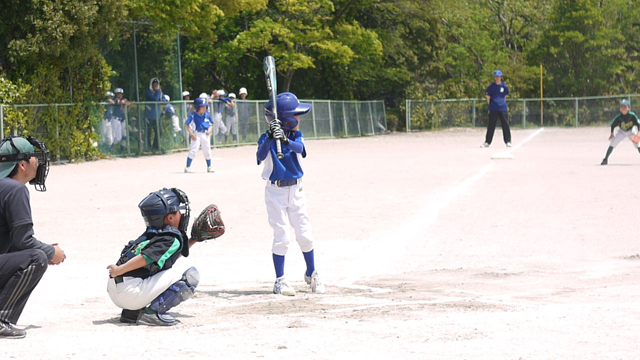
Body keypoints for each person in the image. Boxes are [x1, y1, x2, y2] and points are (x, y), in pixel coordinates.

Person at [256, 92, 326, 296]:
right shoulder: (265, 138)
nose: (299, 118)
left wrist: (284, 140)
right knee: (282, 237)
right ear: (285, 119)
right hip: (275, 192)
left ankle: (312, 272)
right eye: (295, 115)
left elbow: (300, 148)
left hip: (296, 190)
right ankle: (280, 280)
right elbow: (260, 156)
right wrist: (271, 137)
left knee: (304, 234)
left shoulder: (295, 136)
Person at [0, 136, 66, 338]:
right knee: (36, 258)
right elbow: (24, 241)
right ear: (22, 165)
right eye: (33, 158)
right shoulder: (15, 189)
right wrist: (50, 252)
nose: (38, 162)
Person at [106, 187, 199, 326]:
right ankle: (153, 313)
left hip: (117, 290)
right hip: (130, 293)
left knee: (159, 270)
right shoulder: (169, 238)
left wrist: (194, 239)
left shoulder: (153, 234)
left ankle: (131, 313)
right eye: (178, 211)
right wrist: (119, 270)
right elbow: (145, 258)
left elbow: (167, 255)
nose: (181, 214)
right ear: (170, 217)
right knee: (189, 275)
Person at [600, 99, 640, 165]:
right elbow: (612, 125)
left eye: (625, 106)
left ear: (629, 108)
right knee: (613, 143)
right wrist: (612, 133)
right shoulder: (618, 117)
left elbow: (638, 124)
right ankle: (605, 159)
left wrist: (638, 132)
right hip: (622, 131)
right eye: (622, 107)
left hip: (631, 130)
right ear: (620, 108)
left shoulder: (632, 115)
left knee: (638, 144)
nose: (623, 108)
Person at [481, 70, 512, 148]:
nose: (497, 78)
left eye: (499, 76)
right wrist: (492, 105)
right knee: (491, 125)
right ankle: (487, 142)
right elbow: (488, 98)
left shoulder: (504, 86)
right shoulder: (491, 87)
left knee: (505, 125)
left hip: (502, 108)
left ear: (501, 77)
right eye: (496, 76)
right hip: (493, 108)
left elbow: (505, 97)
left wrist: (501, 104)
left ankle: (508, 141)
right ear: (494, 77)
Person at [184, 97, 214, 173]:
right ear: (197, 107)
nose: (204, 108)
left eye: (205, 106)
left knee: (207, 151)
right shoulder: (193, 115)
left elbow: (211, 124)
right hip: (197, 134)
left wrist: (209, 130)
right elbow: (187, 125)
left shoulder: (207, 115)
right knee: (193, 151)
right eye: (202, 107)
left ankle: (209, 167)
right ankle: (187, 167)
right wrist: (192, 134)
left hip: (205, 134)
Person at [144, 77, 164, 152]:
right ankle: (148, 148)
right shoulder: (149, 93)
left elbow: (163, 99)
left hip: (157, 116)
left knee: (159, 133)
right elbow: (155, 99)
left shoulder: (160, 93)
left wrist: (160, 93)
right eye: (154, 84)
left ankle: (155, 147)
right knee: (148, 133)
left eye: (157, 84)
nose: (156, 86)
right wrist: (158, 91)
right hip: (149, 116)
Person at [111, 88, 131, 154]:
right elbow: (118, 102)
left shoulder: (122, 100)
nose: (120, 95)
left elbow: (128, 103)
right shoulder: (114, 99)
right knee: (113, 136)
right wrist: (124, 102)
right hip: (114, 119)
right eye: (119, 94)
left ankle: (112, 149)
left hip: (120, 121)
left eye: (121, 94)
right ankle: (109, 150)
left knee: (119, 137)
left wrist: (126, 103)